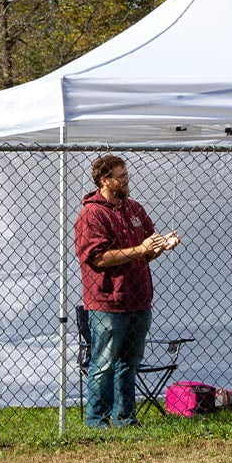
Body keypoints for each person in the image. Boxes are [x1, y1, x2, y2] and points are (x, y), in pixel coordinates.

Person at [74, 155, 180, 427]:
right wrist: (140, 249)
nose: (126, 180)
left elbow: (146, 252)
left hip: (139, 298)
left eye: (126, 175)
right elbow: (97, 258)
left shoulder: (134, 209)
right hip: (108, 301)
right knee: (104, 363)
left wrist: (160, 246)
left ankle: (125, 417)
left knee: (130, 362)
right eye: (120, 176)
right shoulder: (92, 214)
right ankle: (98, 420)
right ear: (104, 180)